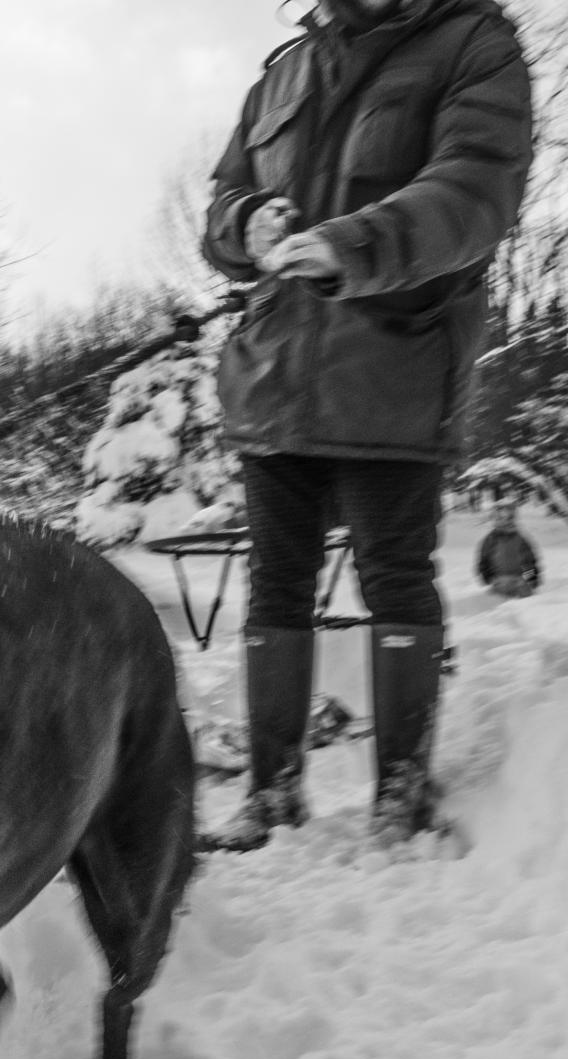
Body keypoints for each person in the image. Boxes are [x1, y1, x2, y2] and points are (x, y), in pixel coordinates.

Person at [199, 0, 533, 849]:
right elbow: (221, 203)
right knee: (275, 584)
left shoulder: (472, 43)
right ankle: (271, 795)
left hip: (394, 370)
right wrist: (245, 222)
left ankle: (400, 792)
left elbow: (474, 191)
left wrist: (355, 244)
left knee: (392, 575)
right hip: (274, 380)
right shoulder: (283, 70)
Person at [476, 498, 541, 597]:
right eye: (499, 517)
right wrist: (487, 577)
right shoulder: (491, 539)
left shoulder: (520, 539)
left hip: (518, 580)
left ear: (513, 517)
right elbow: (484, 560)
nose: (504, 520)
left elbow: (529, 561)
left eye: (507, 516)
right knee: (495, 598)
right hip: (499, 580)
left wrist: (532, 580)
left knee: (524, 596)